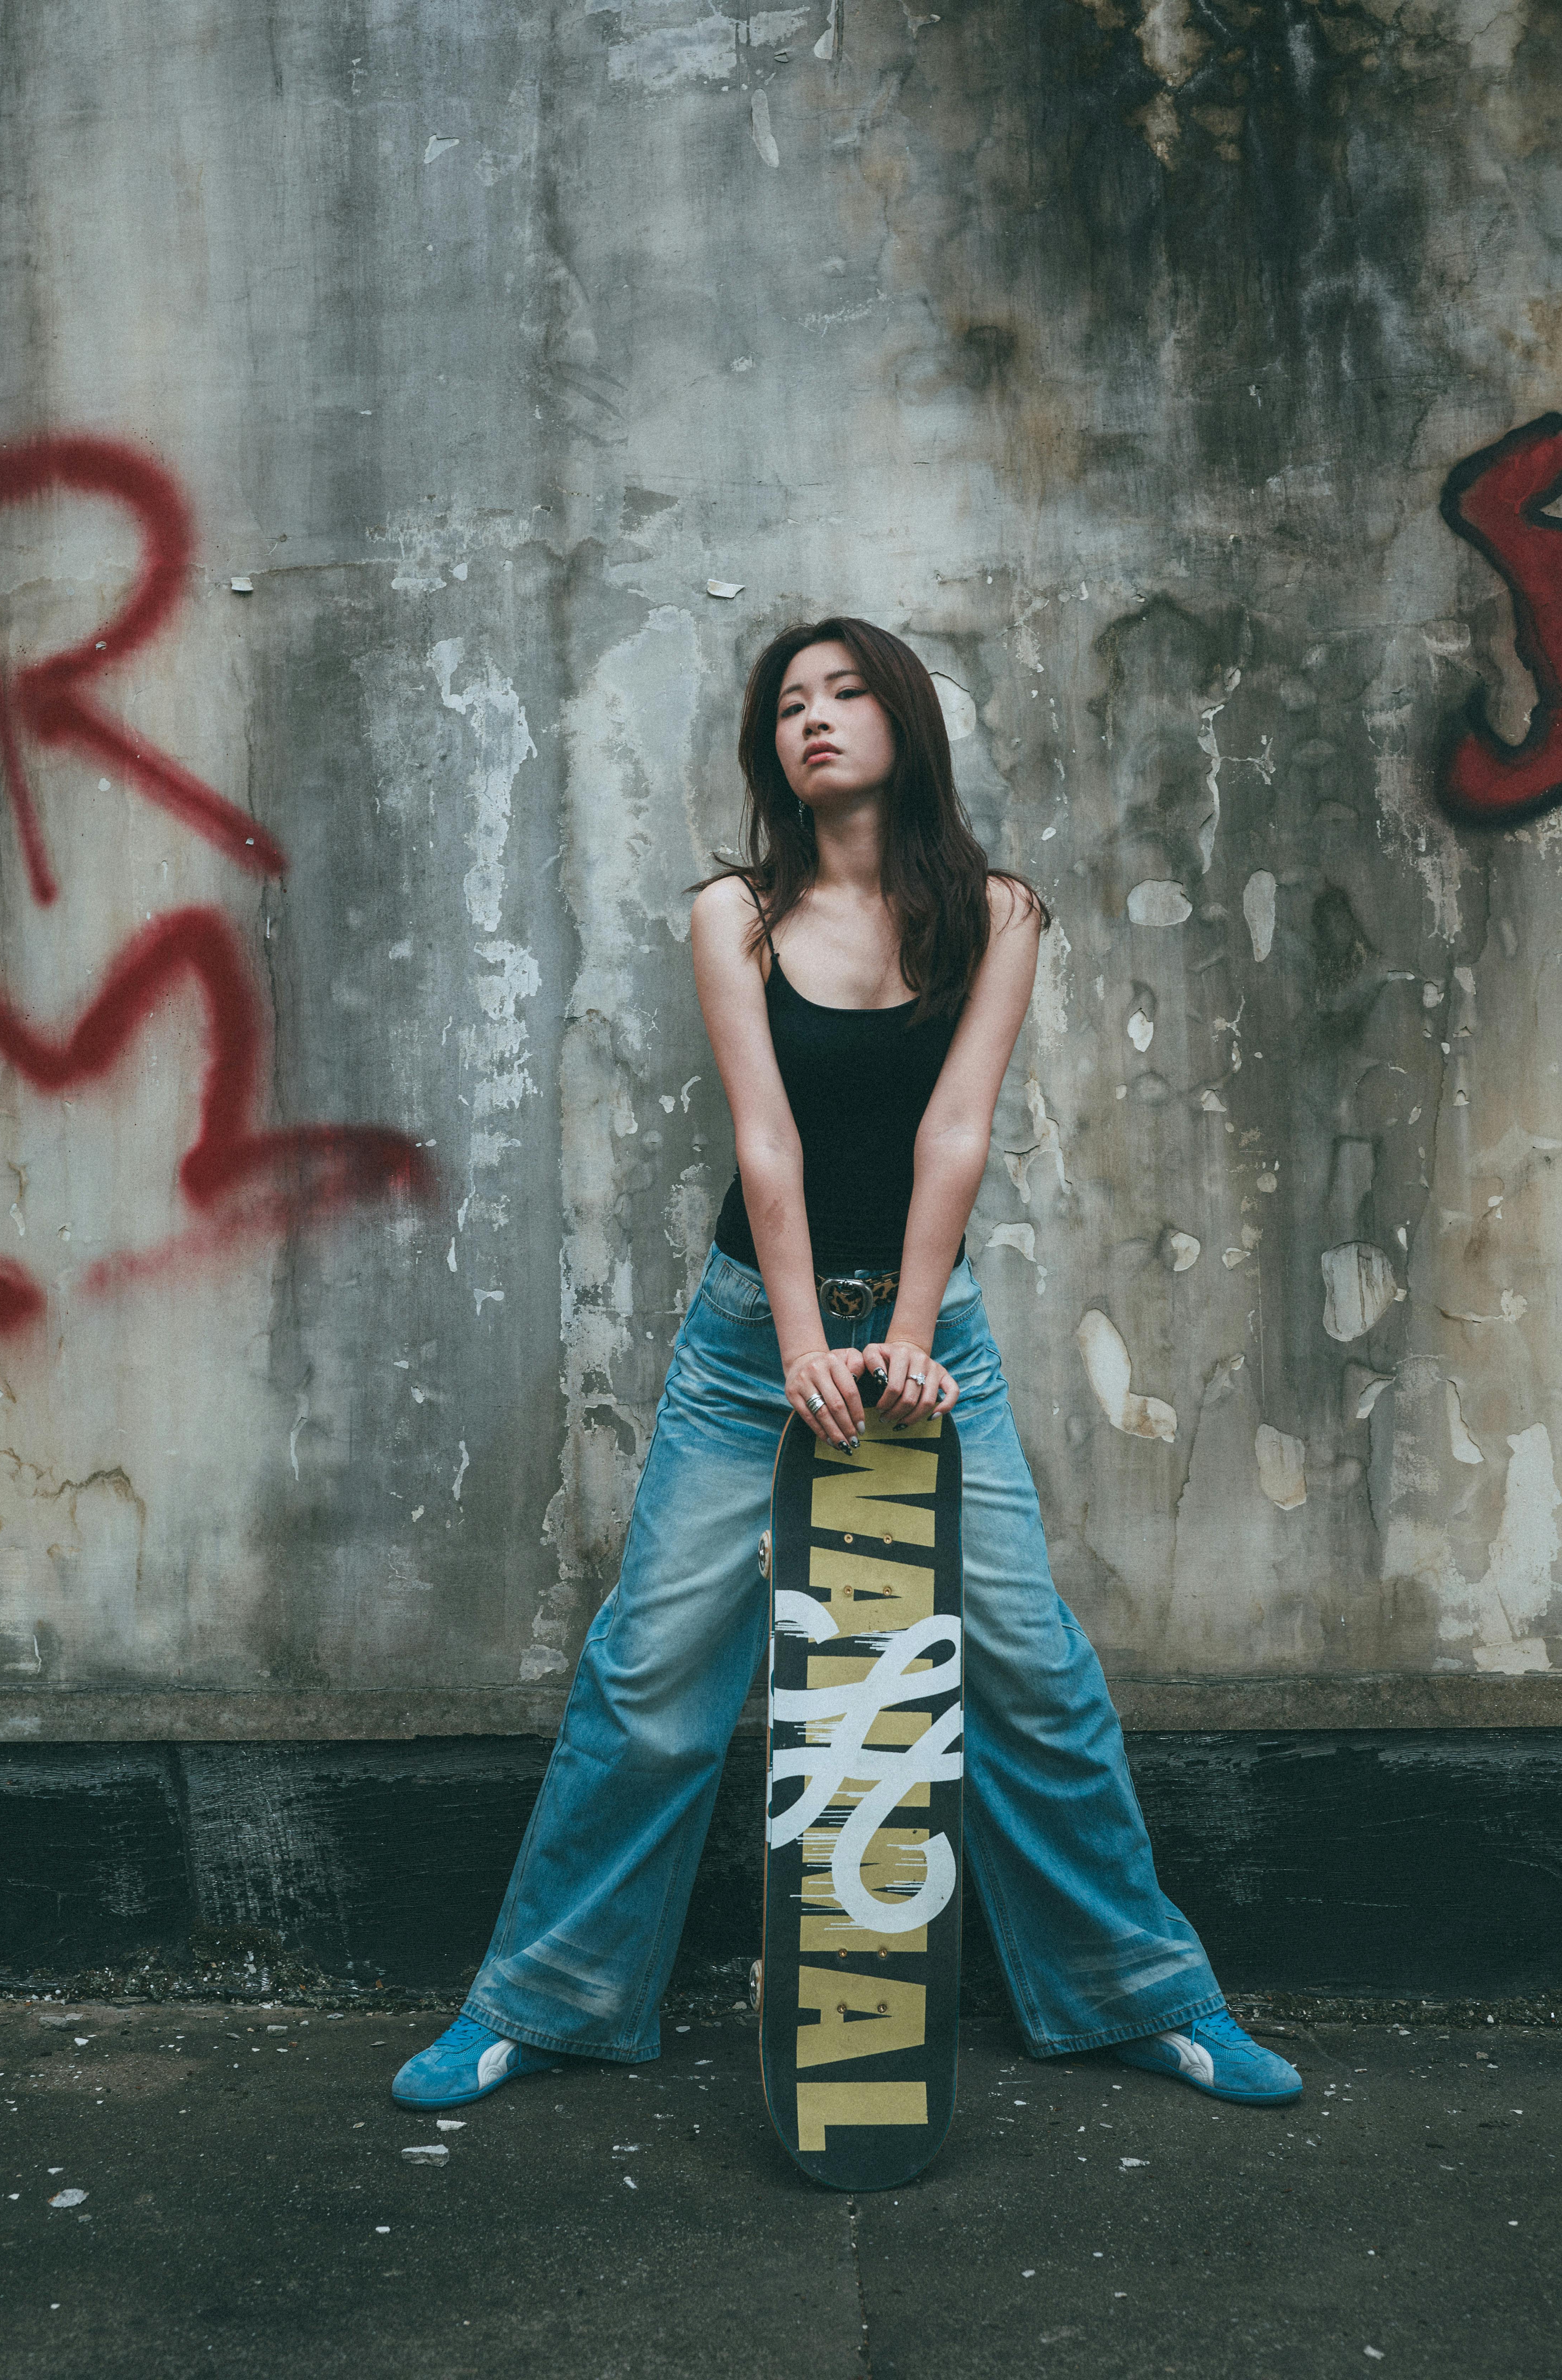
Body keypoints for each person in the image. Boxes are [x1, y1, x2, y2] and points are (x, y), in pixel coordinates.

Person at [392, 618, 1302, 2115]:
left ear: (902, 723)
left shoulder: (998, 911)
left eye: (845, 693)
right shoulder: (733, 915)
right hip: (759, 1337)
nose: (814, 721)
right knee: (653, 1675)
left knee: (1030, 1672)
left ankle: (1140, 1998)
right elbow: (767, 1142)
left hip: (931, 1345)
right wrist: (813, 1348)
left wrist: (911, 1334)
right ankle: (542, 2003)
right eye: (789, 706)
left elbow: (956, 1133)